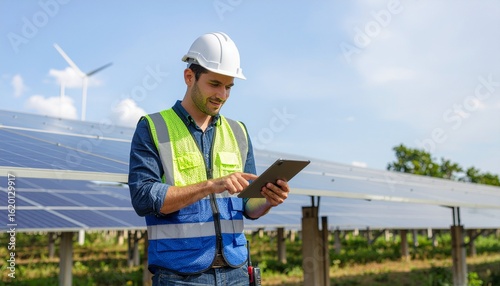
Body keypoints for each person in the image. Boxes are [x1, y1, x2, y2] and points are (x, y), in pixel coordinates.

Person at [128, 32, 290, 285]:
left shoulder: (239, 132)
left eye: (229, 87)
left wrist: (268, 200)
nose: (222, 95)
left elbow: (248, 206)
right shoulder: (153, 127)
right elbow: (143, 198)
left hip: (236, 271)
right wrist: (211, 186)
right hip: (181, 276)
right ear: (189, 77)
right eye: (215, 84)